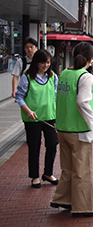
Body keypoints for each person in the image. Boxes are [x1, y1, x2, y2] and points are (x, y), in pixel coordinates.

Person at [50, 42, 93, 217]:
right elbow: (82, 102)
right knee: (84, 171)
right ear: (91, 59)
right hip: (79, 130)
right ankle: (85, 207)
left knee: (68, 168)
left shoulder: (64, 73)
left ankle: (64, 199)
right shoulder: (85, 76)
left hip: (63, 128)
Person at [15, 49, 59, 189]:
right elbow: (19, 96)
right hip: (32, 118)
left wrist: (58, 116)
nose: (45, 65)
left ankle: (48, 173)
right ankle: (34, 176)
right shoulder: (27, 77)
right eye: (42, 62)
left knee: (52, 143)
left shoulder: (53, 77)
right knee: (34, 147)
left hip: (49, 117)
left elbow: (56, 97)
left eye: (48, 62)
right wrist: (28, 111)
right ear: (36, 63)